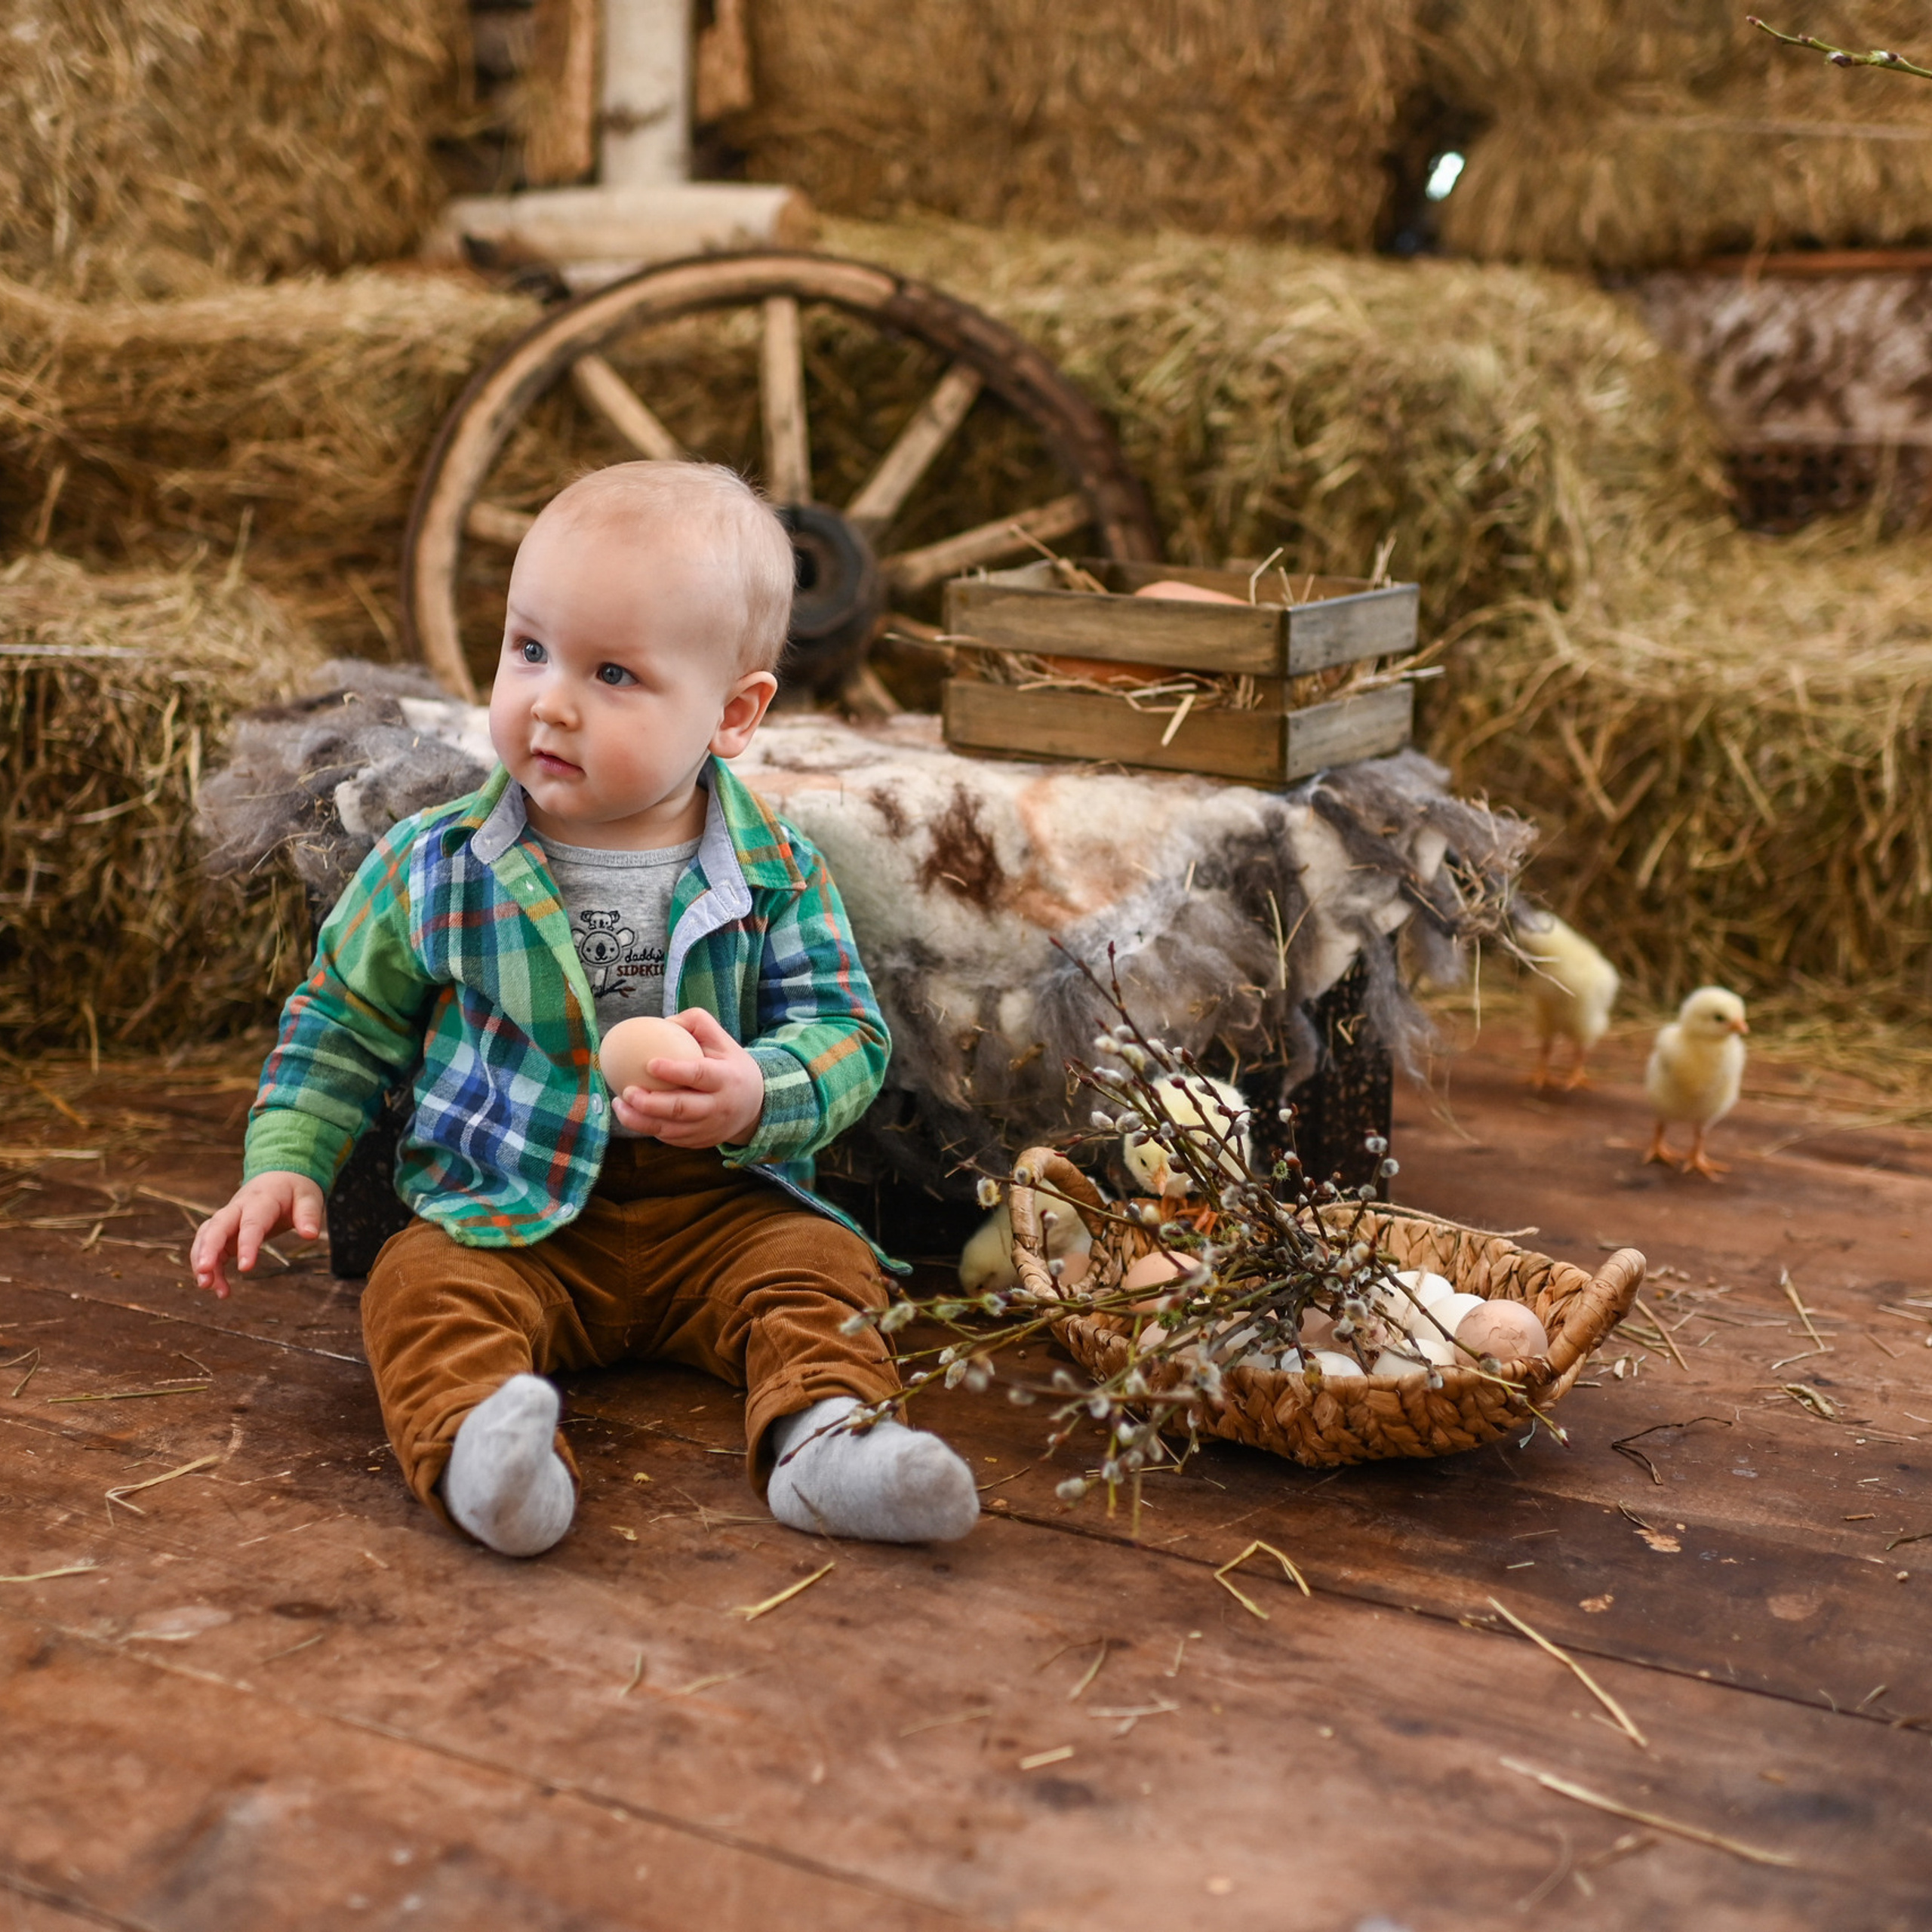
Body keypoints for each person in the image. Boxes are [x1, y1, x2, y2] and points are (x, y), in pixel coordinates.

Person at [190, 462, 980, 1555]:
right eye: (529, 650)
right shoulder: (440, 863)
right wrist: (287, 1157)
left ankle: (827, 1441)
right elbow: (342, 1019)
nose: (550, 700)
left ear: (734, 713)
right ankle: (486, 1457)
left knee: (823, 1274)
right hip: (502, 1208)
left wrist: (758, 1091)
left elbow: (847, 1035)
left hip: (716, 1208)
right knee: (416, 1289)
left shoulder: (776, 872)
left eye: (612, 673)